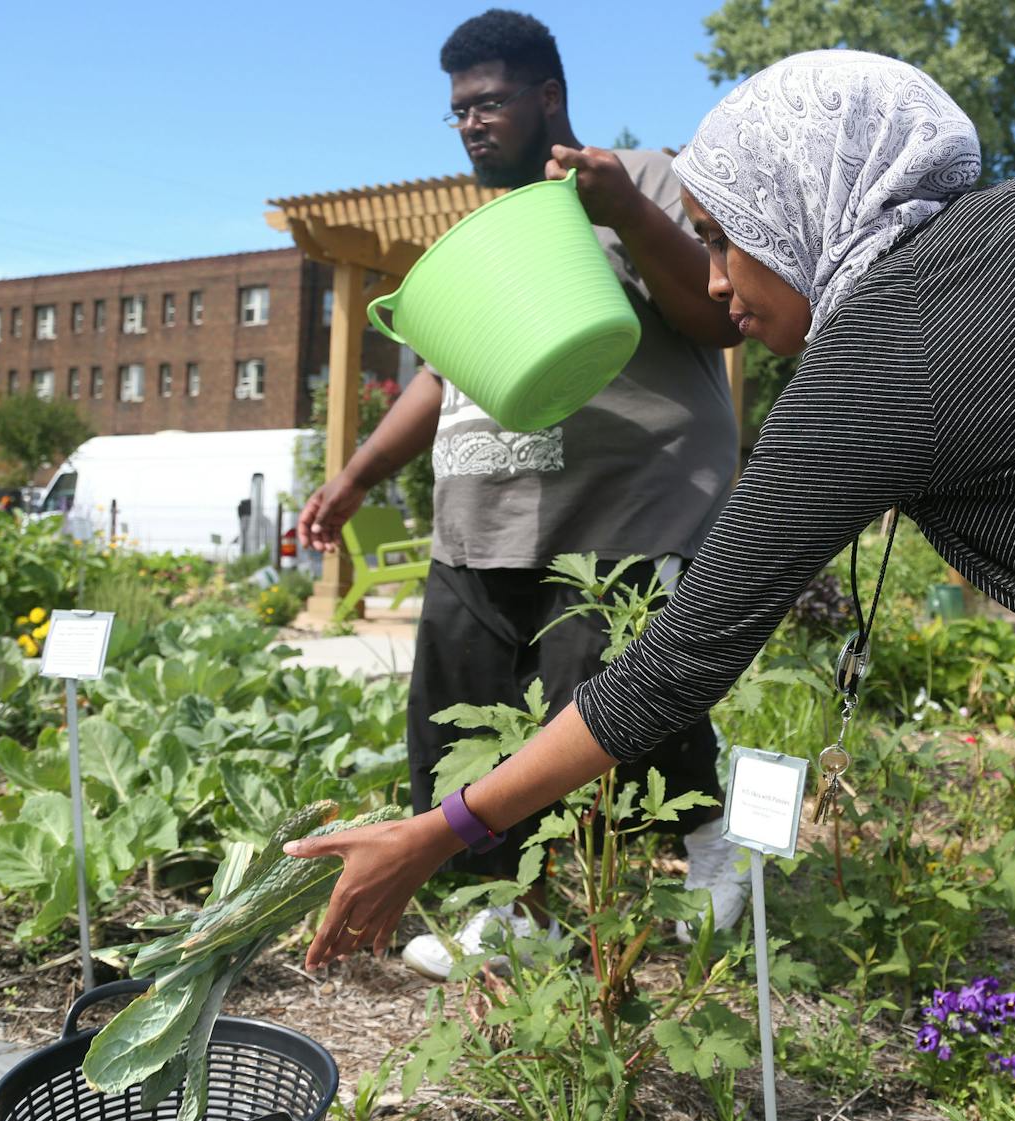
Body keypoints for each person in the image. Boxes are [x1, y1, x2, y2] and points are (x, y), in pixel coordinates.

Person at [289, 49, 1015, 1117]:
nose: (721, 281)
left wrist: (439, 828)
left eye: (722, 239)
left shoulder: (888, 346)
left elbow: (674, 663)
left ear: (798, 208)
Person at [296, 9, 749, 979]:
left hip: (625, 502)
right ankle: (511, 908)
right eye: (456, 109)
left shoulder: (644, 178)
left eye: (488, 101)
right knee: (454, 709)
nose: (468, 123)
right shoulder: (482, 232)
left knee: (608, 691)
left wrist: (621, 209)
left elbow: (716, 318)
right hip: (485, 508)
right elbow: (437, 377)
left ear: (548, 96)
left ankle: (714, 838)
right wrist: (353, 477)